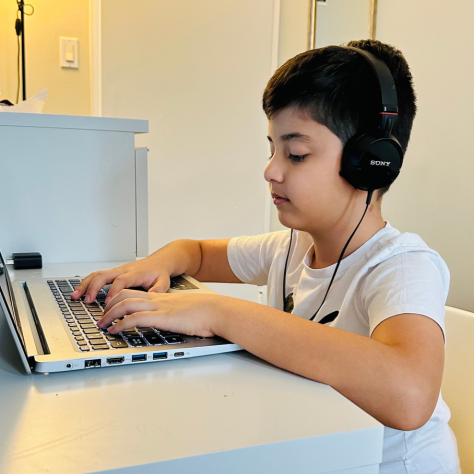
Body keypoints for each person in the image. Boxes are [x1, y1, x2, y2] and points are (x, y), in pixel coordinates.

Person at [72, 40, 460, 473]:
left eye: (296, 154)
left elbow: (410, 395)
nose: (271, 170)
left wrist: (217, 312)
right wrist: (155, 264)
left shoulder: (402, 266)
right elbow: (194, 253)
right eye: (272, 148)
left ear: (370, 163)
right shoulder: (290, 248)